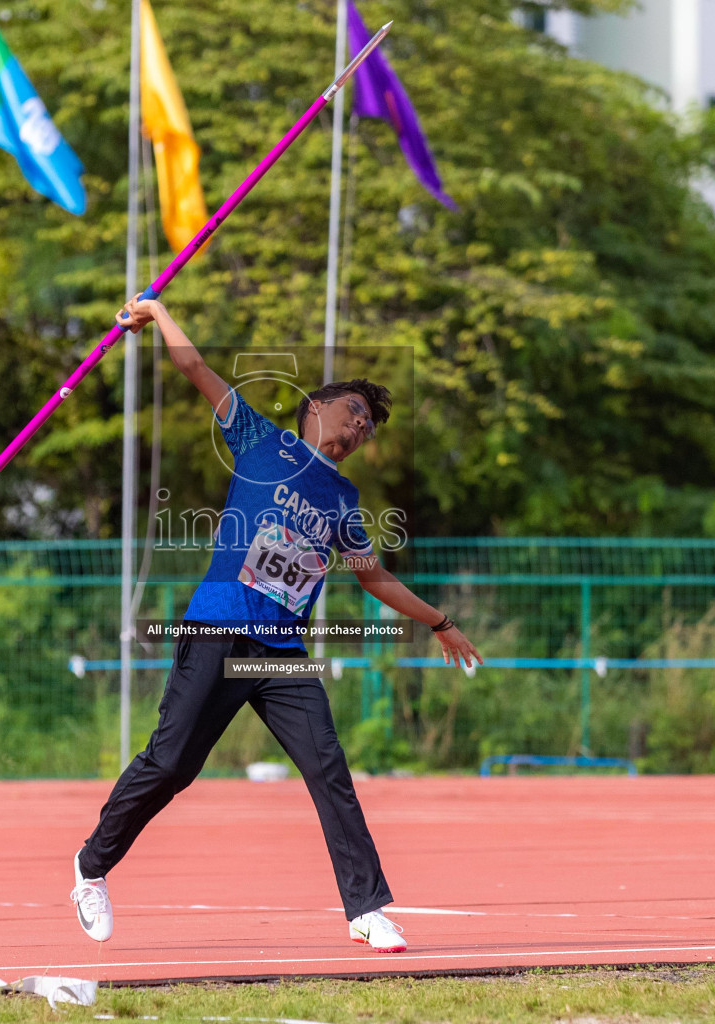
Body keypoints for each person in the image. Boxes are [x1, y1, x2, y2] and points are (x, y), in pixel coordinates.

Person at [69, 295, 482, 953]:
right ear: (316, 407)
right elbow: (195, 366)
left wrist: (441, 622)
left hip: (281, 652)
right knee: (173, 763)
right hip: (218, 628)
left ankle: (366, 908)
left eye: (369, 429)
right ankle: (92, 867)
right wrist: (160, 311)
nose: (359, 430)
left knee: (328, 768)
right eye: (355, 413)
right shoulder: (260, 440)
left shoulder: (344, 499)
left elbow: (373, 577)